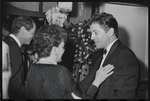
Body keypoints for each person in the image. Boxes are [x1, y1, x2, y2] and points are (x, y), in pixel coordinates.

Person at [25, 24, 114, 99]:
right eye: (63, 47)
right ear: (55, 50)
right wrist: (97, 81)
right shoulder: (60, 72)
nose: (64, 50)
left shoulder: (32, 69)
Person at [75, 12, 140, 99]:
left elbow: (123, 96)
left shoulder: (125, 56)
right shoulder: (98, 56)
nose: (91, 37)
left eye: (95, 33)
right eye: (91, 33)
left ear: (110, 32)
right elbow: (84, 85)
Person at [2, 15, 36, 99]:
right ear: (23, 30)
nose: (33, 37)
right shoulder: (13, 49)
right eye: (33, 33)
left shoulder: (7, 42)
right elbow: (14, 87)